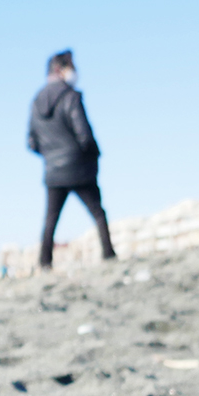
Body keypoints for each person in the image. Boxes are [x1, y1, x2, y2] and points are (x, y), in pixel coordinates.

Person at [28, 50, 114, 269]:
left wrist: (51, 155)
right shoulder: (70, 96)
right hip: (79, 167)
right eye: (71, 67)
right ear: (60, 69)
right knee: (98, 212)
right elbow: (84, 133)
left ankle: (44, 263)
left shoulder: (36, 101)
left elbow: (31, 142)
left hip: (53, 171)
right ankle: (109, 254)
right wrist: (93, 153)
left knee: (50, 220)